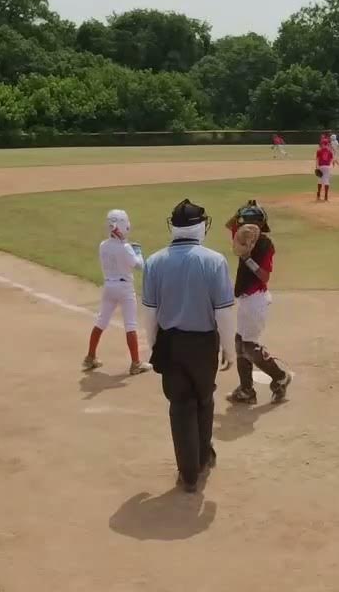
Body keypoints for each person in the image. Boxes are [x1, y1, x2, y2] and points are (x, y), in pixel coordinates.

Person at [141, 199, 235, 493]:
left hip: (170, 342)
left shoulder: (154, 262)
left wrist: (154, 344)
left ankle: (188, 473)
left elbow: (150, 313)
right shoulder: (215, 260)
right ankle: (203, 457)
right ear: (200, 227)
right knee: (204, 399)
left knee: (180, 405)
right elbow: (223, 312)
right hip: (204, 342)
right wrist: (229, 349)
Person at [224, 201, 293, 405]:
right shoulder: (242, 237)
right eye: (245, 224)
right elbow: (230, 225)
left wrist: (247, 258)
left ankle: (280, 376)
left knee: (248, 346)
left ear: (260, 225)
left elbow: (264, 276)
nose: (247, 229)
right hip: (247, 300)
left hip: (256, 299)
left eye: (251, 224)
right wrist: (240, 213)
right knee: (240, 344)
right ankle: (246, 390)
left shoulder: (265, 245)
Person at [83, 209, 151, 375]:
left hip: (109, 286)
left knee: (101, 321)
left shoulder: (103, 246)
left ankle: (90, 356)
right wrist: (138, 252)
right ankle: (136, 363)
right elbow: (140, 266)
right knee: (130, 325)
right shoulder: (125, 248)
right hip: (125, 289)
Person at [315, 136, 335, 202]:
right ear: (328, 144)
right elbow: (332, 160)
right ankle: (326, 196)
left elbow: (317, 160)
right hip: (327, 167)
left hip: (321, 167)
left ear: (323, 144)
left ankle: (318, 195)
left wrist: (317, 167)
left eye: (322, 143)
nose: (321, 144)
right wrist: (332, 166)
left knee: (320, 180)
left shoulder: (319, 151)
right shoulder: (330, 151)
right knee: (326, 181)